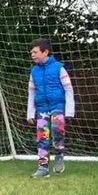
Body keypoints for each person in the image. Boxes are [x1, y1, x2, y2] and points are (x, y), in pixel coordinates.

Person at [26, 38, 75, 178]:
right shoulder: (34, 71)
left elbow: (68, 89)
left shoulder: (59, 68)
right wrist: (30, 113)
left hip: (57, 106)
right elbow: (31, 92)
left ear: (45, 52)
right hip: (42, 109)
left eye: (35, 52)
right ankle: (43, 168)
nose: (32, 55)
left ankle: (59, 155)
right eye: (31, 53)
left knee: (56, 130)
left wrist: (70, 110)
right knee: (42, 138)